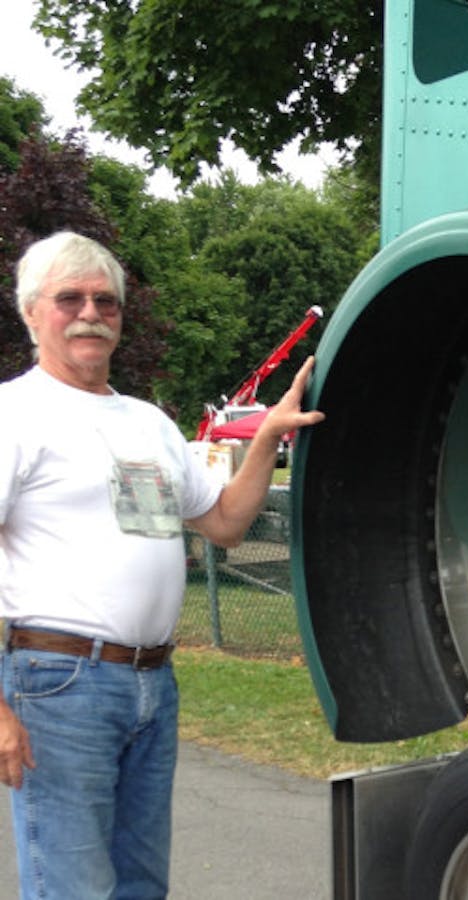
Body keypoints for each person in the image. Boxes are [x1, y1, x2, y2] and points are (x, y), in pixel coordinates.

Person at [0, 231, 325, 899]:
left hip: (153, 684)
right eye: (69, 299)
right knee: (73, 888)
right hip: (58, 683)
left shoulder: (147, 422)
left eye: (106, 300)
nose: (91, 312)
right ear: (31, 313)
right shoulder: (15, 414)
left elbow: (226, 522)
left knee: (142, 886)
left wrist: (266, 434)